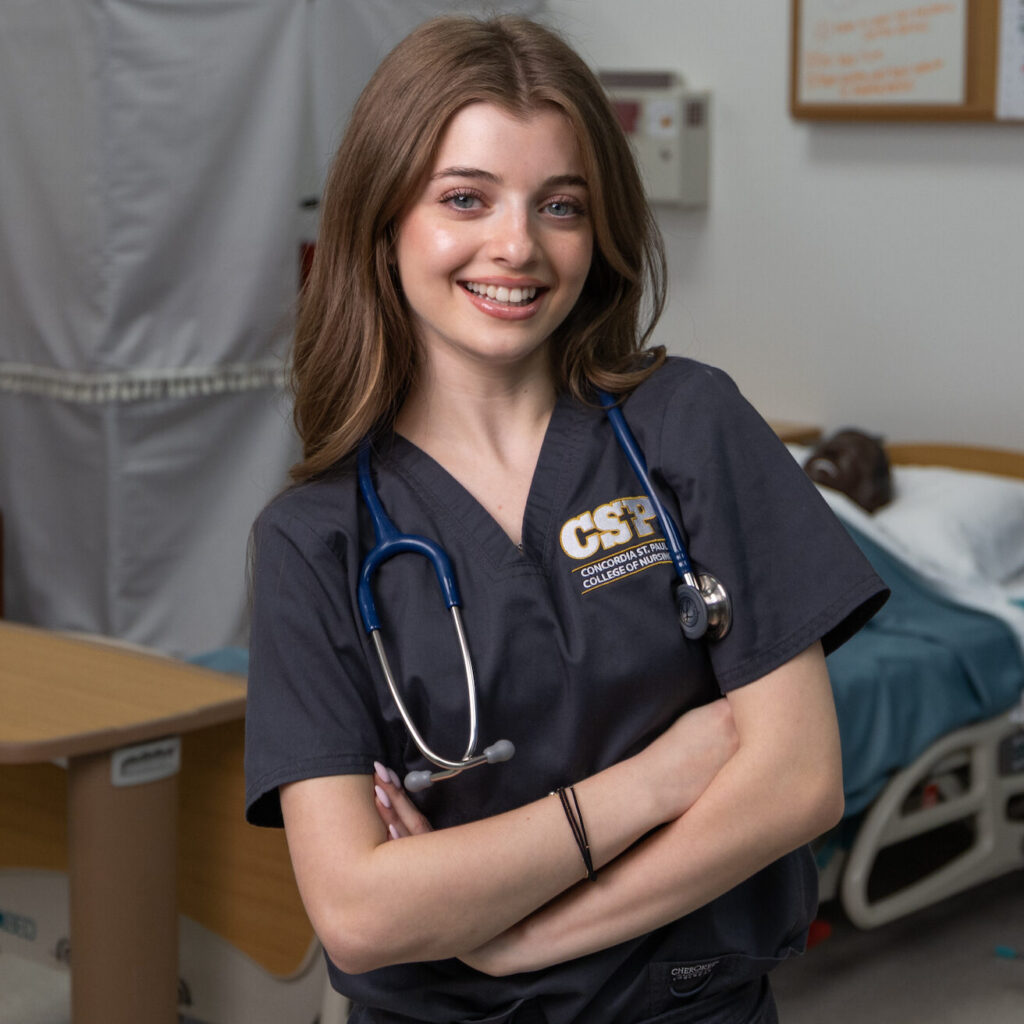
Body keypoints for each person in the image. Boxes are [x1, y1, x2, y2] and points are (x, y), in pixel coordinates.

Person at [244, 15, 888, 1024]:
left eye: (560, 205)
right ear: (384, 223)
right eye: (465, 198)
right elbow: (361, 911)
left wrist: (523, 939)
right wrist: (651, 780)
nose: (517, 245)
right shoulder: (314, 539)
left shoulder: (689, 422)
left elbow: (797, 781)